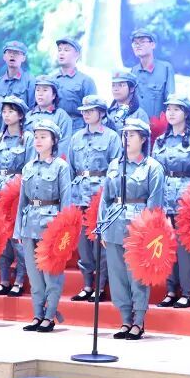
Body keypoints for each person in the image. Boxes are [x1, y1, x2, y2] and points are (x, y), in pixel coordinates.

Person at [98, 118, 164, 340]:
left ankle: (138, 320)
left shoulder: (153, 167)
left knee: (137, 275)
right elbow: (105, 198)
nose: (127, 139)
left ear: (143, 139)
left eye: (132, 135)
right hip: (114, 223)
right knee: (117, 275)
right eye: (124, 135)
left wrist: (150, 232)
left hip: (139, 226)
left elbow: (155, 203)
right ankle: (125, 319)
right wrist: (102, 226)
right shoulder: (115, 165)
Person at [16, 119, 73, 332]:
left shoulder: (61, 166)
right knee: (34, 274)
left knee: (51, 273)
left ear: (53, 140)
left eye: (43, 137)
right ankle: (37, 314)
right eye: (36, 137)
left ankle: (50, 316)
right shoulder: (28, 167)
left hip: (51, 225)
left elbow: (66, 200)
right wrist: (18, 229)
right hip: (29, 223)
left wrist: (63, 230)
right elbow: (22, 200)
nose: (38, 141)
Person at [153, 95, 190, 308]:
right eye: (169, 109)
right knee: (167, 243)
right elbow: (154, 171)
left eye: (177, 109)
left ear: (186, 113)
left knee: (185, 247)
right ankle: (170, 289)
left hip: (187, 195)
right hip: (164, 194)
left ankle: (186, 290)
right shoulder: (160, 140)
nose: (171, 113)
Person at [69, 95, 121, 302]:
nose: (86, 114)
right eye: (84, 111)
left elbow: (115, 168)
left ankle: (100, 285)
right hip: (79, 194)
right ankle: (87, 284)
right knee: (83, 244)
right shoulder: (76, 137)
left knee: (100, 242)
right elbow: (71, 168)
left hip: (100, 195)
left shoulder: (111, 137)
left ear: (101, 113)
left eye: (91, 110)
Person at [0, 96, 32, 298]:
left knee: (17, 238)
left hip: (16, 192)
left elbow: (30, 166)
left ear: (20, 115)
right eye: (4, 111)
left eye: (11, 111)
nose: (6, 115)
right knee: (1, 237)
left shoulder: (28, 138)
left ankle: (20, 279)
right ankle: (4, 279)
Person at [52, 37, 97, 131]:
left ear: (77, 54)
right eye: (59, 50)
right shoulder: (51, 80)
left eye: (66, 50)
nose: (61, 53)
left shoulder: (86, 81)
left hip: (77, 128)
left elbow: (93, 111)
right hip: (54, 127)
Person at [128, 29, 175, 119]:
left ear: (153, 45)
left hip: (158, 124)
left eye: (142, 42)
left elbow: (171, 99)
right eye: (135, 43)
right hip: (137, 124)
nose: (138, 45)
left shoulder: (165, 68)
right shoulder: (134, 71)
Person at [25, 76, 73, 157]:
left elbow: (64, 145)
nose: (40, 93)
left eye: (45, 90)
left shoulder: (61, 116)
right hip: (30, 162)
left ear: (54, 95)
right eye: (38, 90)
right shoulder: (28, 116)